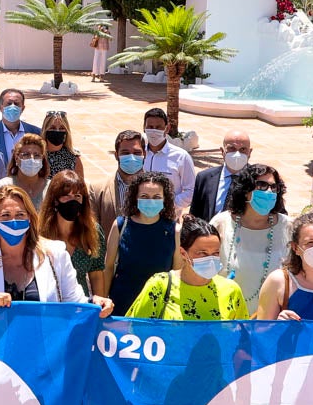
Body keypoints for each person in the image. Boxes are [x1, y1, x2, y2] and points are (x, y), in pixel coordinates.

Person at [0, 184, 113, 317]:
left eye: (20, 215)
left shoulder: (55, 254)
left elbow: (75, 302)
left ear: (30, 218)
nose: (14, 221)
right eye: (5, 215)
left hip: (44, 348)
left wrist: (95, 302)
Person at [209, 164, 293, 316]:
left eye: (274, 187)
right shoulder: (221, 223)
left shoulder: (288, 226)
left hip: (270, 319)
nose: (269, 191)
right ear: (246, 191)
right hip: (225, 316)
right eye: (261, 185)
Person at [126, 216, 248, 321]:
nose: (210, 259)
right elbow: (135, 331)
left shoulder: (232, 291)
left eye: (215, 253)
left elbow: (244, 340)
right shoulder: (159, 285)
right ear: (183, 253)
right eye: (202, 253)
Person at [104, 171, 182, 313]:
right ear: (135, 198)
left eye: (156, 197)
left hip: (158, 309)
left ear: (165, 200)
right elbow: (108, 267)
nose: (150, 201)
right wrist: (103, 301)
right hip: (122, 305)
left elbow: (177, 273)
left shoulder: (175, 231)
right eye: (144, 197)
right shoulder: (121, 225)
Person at [39, 169, 106, 298]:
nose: (73, 201)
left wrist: (100, 309)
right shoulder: (40, 232)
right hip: (50, 303)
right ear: (55, 200)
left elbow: (96, 272)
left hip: (80, 304)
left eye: (77, 196)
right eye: (66, 196)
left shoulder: (92, 231)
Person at [90, 130, 146, 236]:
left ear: (145, 154)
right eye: (125, 153)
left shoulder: (158, 189)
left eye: (137, 153)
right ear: (116, 155)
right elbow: (92, 231)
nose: (132, 157)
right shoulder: (97, 190)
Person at [190, 130, 252, 221]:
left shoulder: (258, 181)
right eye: (232, 148)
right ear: (222, 151)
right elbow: (195, 214)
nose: (237, 154)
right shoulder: (204, 178)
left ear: (249, 152)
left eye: (243, 149)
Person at [141, 108, 195, 210]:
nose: (154, 131)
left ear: (167, 128)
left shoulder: (181, 157)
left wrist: (169, 205)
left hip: (168, 218)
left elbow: (191, 191)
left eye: (158, 127)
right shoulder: (139, 154)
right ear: (144, 127)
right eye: (150, 127)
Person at [0, 133, 51, 210]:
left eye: (37, 155)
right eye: (26, 155)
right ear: (17, 159)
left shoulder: (50, 187)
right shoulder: (2, 186)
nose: (32, 159)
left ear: (42, 160)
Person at [0, 88, 41, 159]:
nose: (13, 106)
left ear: (23, 108)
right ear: (0, 108)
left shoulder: (36, 132)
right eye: (9, 103)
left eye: (16, 103)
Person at [41, 110, 84, 179]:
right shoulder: (38, 156)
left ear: (66, 131)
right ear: (45, 130)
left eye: (61, 128)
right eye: (52, 128)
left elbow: (80, 186)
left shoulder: (73, 157)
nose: (57, 131)